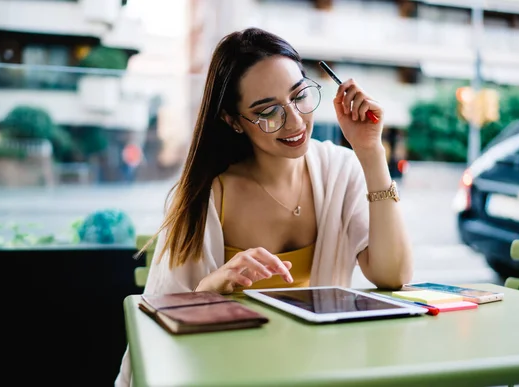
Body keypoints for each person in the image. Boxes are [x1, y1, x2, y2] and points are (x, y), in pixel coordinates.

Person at [115, 27, 412, 386]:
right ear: (233, 121)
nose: (296, 120)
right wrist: (209, 289)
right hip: (228, 375)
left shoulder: (341, 170)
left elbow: (393, 275)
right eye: (268, 111)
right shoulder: (207, 195)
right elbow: (154, 331)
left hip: (321, 372)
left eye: (300, 96)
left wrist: (370, 152)